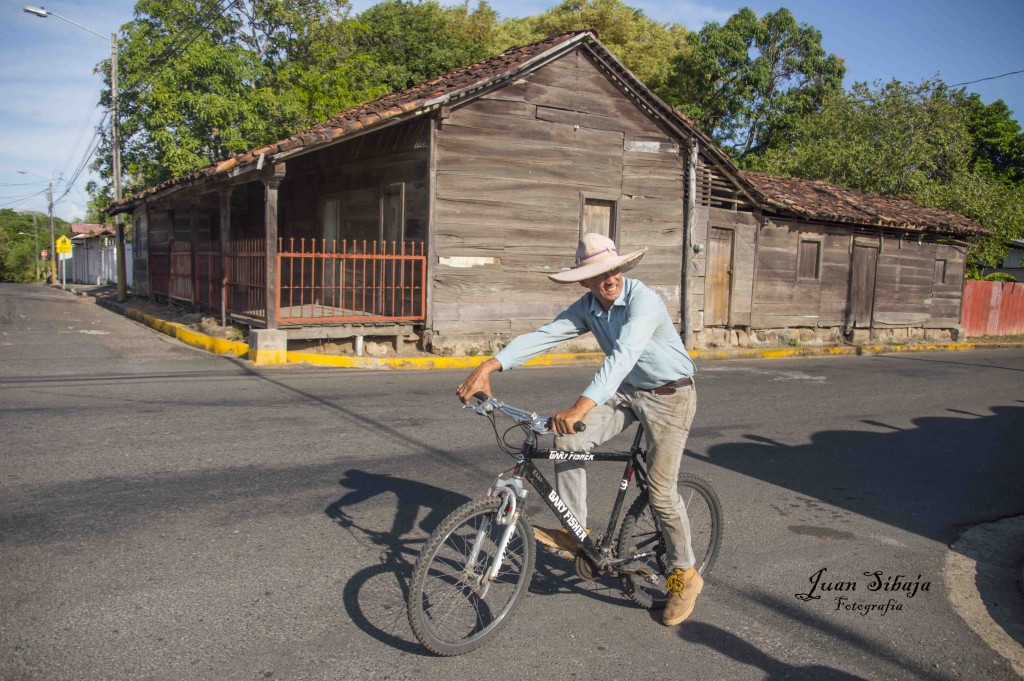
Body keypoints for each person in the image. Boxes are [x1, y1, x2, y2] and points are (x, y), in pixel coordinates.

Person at [456, 233, 702, 626]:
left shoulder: (645, 302)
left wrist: (581, 405)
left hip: (671, 396)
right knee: (567, 439)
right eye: (599, 273)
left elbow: (623, 357)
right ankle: (577, 531)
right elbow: (545, 336)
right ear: (585, 280)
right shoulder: (589, 306)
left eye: (613, 269)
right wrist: (489, 366)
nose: (610, 278)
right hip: (628, 392)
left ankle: (685, 574)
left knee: (660, 491)